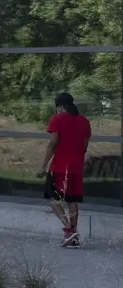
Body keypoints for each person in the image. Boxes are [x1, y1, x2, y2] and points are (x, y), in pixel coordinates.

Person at [39, 91, 92, 247]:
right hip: (77, 168)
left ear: (60, 106)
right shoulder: (84, 121)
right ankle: (74, 234)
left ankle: (68, 230)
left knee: (55, 202)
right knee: (72, 201)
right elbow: (84, 147)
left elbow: (53, 144)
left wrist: (42, 165)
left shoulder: (57, 119)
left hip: (61, 167)